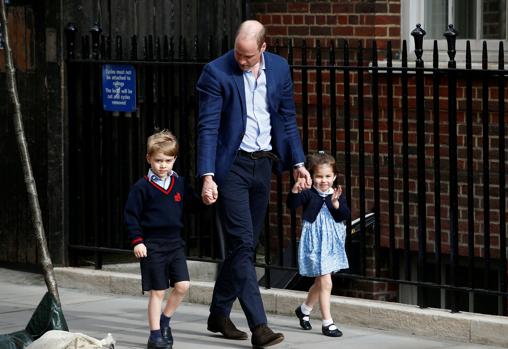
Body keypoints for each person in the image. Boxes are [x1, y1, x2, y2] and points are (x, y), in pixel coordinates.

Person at [196, 19, 311, 348]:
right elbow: (207, 128)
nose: (241, 61)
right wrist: (207, 176)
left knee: (242, 246)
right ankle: (259, 326)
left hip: (264, 166)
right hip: (231, 167)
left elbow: (287, 118)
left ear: (263, 47)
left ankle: (219, 313)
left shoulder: (279, 69)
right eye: (237, 53)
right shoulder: (216, 73)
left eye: (248, 56)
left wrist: (298, 164)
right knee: (244, 244)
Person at [124, 130, 201, 349]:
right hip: (152, 246)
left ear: (174, 159)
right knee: (157, 291)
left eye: (168, 160)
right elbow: (131, 216)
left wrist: (207, 197)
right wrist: (137, 241)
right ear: (149, 159)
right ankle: (155, 335)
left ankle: (165, 320)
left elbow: (193, 205)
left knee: (183, 286)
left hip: (175, 244)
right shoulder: (141, 188)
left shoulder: (180, 183)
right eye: (158, 160)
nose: (163, 165)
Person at [287, 151, 350, 338]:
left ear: (335, 176)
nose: (324, 181)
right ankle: (327, 323)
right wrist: (295, 189)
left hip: (332, 242)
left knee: (321, 282)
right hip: (315, 241)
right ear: (312, 177)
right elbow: (291, 204)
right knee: (326, 281)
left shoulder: (336, 194)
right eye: (319, 176)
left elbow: (344, 215)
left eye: (328, 176)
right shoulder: (308, 193)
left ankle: (304, 310)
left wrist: (337, 205)